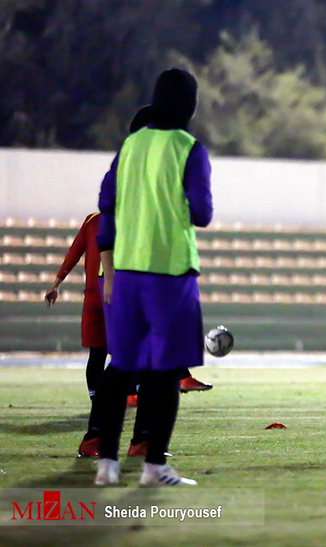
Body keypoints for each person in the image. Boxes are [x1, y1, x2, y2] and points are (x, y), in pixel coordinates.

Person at [91, 68, 212, 486]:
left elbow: (106, 201)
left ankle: (106, 464)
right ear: (190, 105)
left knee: (121, 366)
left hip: (126, 270)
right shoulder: (188, 147)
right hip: (170, 271)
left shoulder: (130, 146)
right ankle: (154, 466)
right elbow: (202, 213)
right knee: (165, 371)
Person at [45, 213, 106, 401]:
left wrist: (56, 284)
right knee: (128, 352)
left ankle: (98, 401)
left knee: (97, 353)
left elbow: (74, 253)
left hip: (93, 298)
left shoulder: (92, 220)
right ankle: (131, 394)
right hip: (119, 297)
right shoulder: (131, 219)